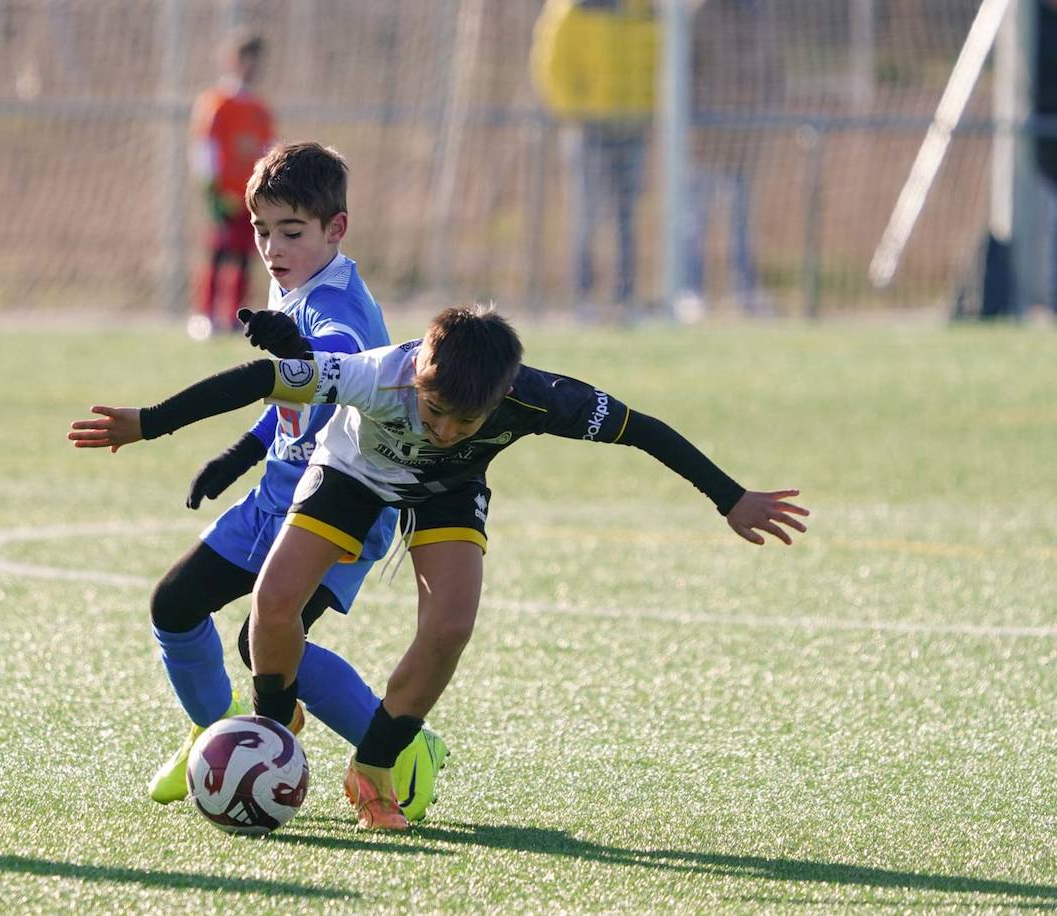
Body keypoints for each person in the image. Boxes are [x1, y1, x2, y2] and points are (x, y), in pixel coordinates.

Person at [69, 304, 810, 830]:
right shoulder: (373, 375)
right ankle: (272, 725)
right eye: (434, 412)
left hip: (451, 493)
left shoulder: (543, 398)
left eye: (467, 421)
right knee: (273, 604)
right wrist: (151, 422)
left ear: (501, 398)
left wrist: (730, 497)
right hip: (353, 476)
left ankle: (376, 768)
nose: (447, 428)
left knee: (451, 627)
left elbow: (641, 429)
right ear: (418, 369)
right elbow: (262, 380)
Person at [85, 141, 449, 822]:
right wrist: (241, 452)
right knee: (176, 606)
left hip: (341, 504)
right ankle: (215, 730)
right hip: (280, 490)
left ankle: (403, 746)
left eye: (291, 232)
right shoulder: (293, 284)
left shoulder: (336, 302)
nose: (273, 248)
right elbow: (298, 394)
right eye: (261, 231)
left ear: (335, 230)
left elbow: (332, 360)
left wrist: (297, 350)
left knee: (267, 643)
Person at [530, 0, 659, 317]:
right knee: (587, 213)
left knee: (627, 215)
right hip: (588, 128)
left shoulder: (644, 10)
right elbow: (551, 66)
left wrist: (649, 110)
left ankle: (625, 296)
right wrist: (576, 112)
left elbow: (658, 63)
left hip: (633, 125)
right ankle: (582, 295)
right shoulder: (573, 10)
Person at [684, 0, 784, 317]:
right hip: (707, 139)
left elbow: (773, 72)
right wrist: (698, 116)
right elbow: (684, 72)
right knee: (696, 219)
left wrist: (765, 112)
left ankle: (745, 291)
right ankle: (690, 291)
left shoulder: (761, 14)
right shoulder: (701, 14)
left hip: (746, 137)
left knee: (742, 222)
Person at [188, 30, 277, 340]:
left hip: (250, 194)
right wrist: (211, 188)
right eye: (246, 59)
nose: (252, 67)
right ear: (233, 61)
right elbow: (205, 147)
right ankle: (205, 315)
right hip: (224, 192)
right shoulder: (217, 103)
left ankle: (234, 316)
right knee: (217, 251)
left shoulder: (259, 108)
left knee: (244, 254)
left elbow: (269, 149)